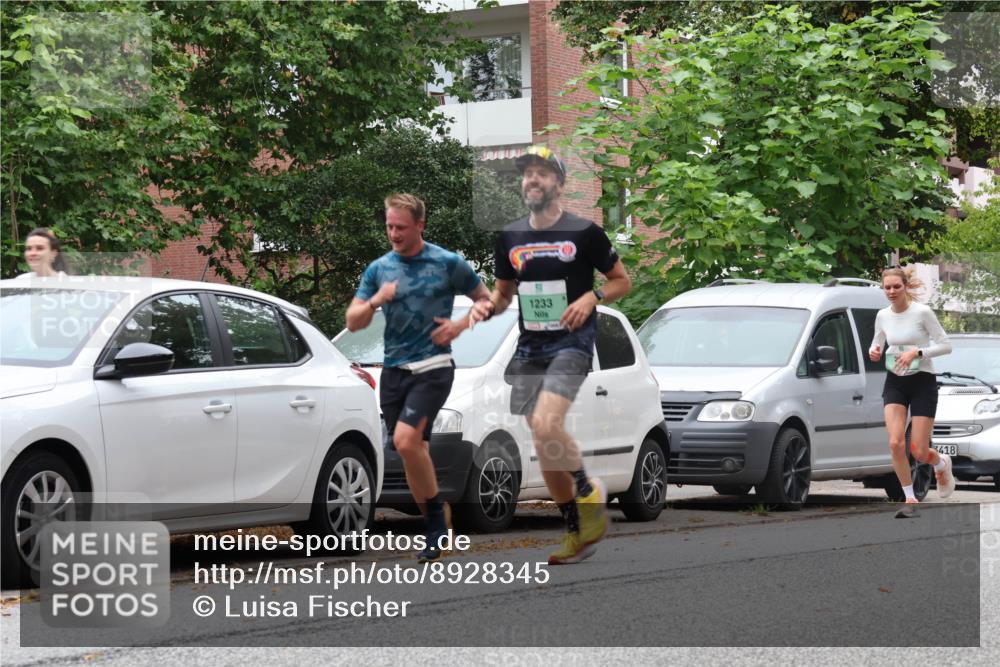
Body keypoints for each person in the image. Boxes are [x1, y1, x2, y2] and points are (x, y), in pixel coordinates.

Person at [470, 145, 632, 564]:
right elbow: (505, 294)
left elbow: (621, 281)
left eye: (542, 173)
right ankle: (577, 532)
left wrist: (591, 298)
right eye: (527, 173)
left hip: (572, 344)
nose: (533, 179)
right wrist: (484, 307)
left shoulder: (585, 232)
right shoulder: (510, 236)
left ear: (559, 184)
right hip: (530, 348)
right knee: (545, 447)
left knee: (546, 423)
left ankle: (586, 490)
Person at [346, 193, 492, 563]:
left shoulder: (447, 263)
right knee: (413, 451)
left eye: (401, 227)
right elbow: (353, 320)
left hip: (434, 367)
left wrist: (460, 324)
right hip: (394, 372)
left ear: (420, 226)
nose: (393, 233)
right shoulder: (379, 269)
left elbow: (486, 301)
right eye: (389, 226)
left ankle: (433, 525)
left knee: (407, 440)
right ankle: (435, 518)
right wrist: (377, 299)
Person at [869, 266, 954, 515]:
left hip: (922, 381)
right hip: (895, 380)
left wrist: (917, 352)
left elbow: (946, 345)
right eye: (887, 287)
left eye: (896, 286)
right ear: (883, 289)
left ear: (905, 286)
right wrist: (873, 351)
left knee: (917, 450)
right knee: (895, 443)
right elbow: (877, 342)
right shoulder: (882, 315)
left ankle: (940, 463)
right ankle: (909, 499)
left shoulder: (922, 312)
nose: (892, 291)